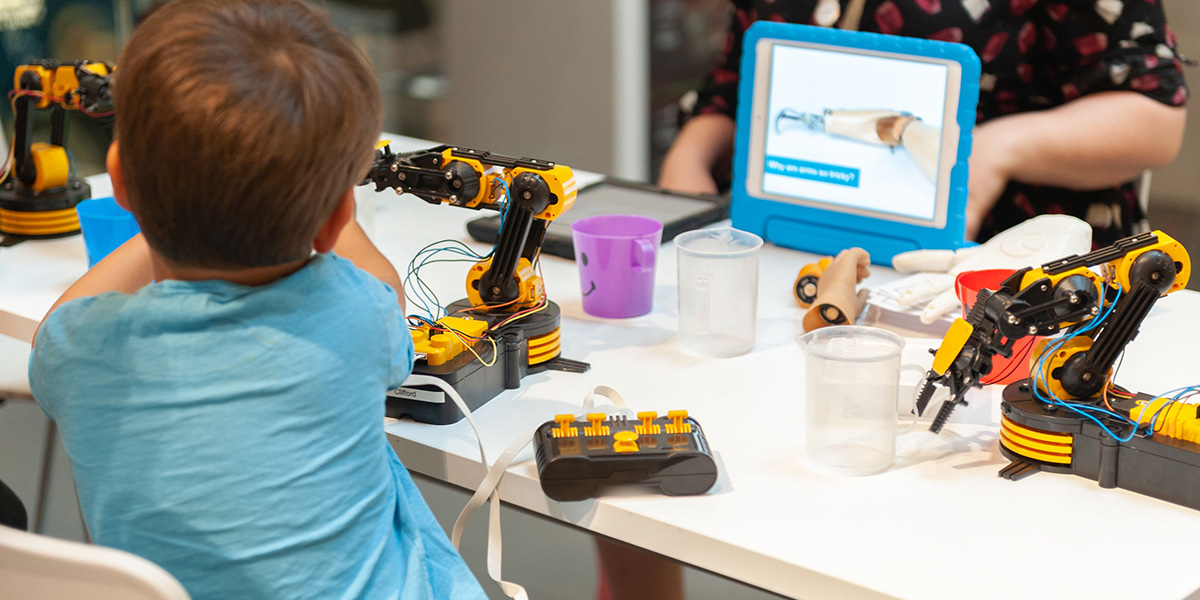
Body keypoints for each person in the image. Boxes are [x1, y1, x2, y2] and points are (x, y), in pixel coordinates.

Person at [27, 1, 486, 598]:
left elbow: (55, 327)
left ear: (119, 181)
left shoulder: (79, 349)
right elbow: (386, 289)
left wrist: (166, 195)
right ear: (337, 218)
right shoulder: (354, 314)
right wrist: (325, 200)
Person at [659, 0, 1189, 245]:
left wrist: (994, 151)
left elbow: (1153, 117)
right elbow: (735, 85)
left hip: (1012, 269)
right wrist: (689, 170)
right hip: (782, 241)